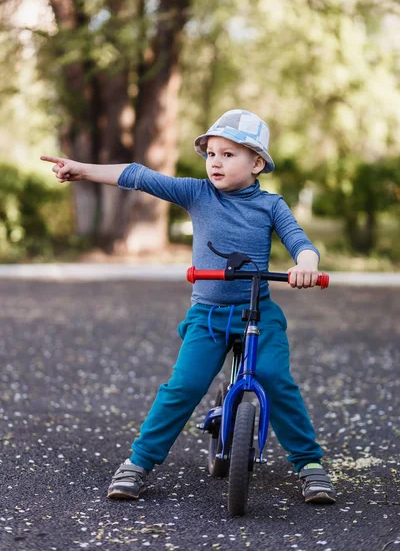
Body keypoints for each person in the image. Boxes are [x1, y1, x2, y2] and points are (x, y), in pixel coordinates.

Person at [41, 109, 336, 504]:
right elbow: (139, 175)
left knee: (274, 379)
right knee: (185, 386)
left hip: (258, 314)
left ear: (257, 163)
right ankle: (139, 462)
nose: (215, 161)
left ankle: (309, 465)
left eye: (229, 154)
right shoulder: (197, 193)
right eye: (211, 153)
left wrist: (306, 265)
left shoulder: (271, 206)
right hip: (209, 316)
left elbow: (300, 241)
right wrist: (82, 169)